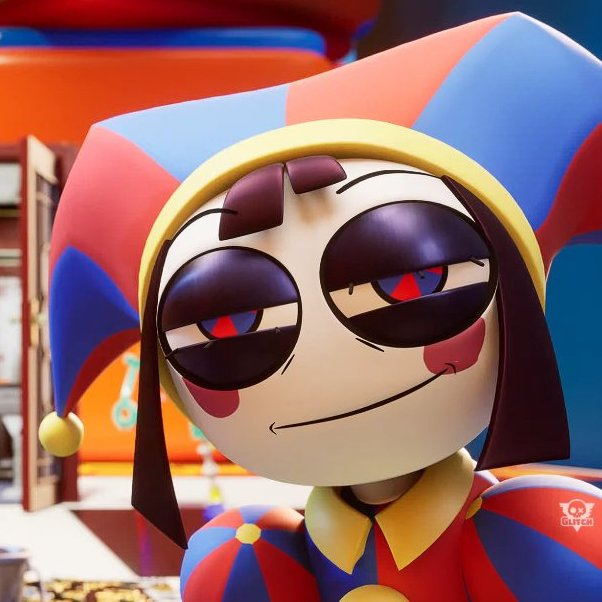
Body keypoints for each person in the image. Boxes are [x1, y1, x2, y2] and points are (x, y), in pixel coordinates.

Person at [41, 13, 602, 600]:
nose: (331, 355)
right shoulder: (256, 557)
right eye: (227, 324)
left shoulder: (532, 538)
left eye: (411, 282)